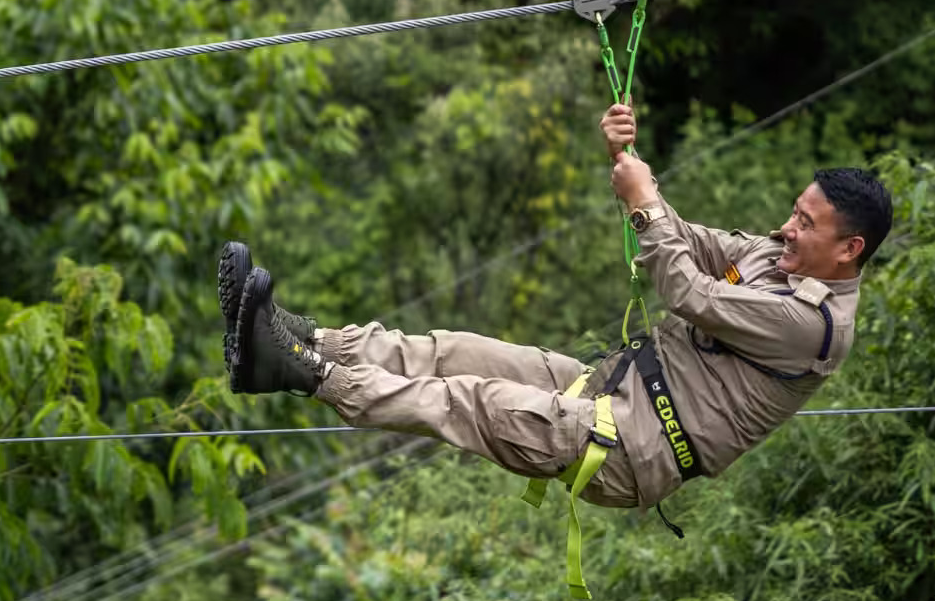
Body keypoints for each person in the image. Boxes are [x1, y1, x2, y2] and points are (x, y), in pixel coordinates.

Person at [217, 101, 893, 517]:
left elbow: (688, 291)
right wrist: (628, 166)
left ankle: (301, 372)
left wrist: (644, 201)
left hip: (628, 446)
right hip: (604, 388)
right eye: (795, 212)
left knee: (467, 399)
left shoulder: (814, 326)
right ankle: (293, 336)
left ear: (849, 249)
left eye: (806, 223)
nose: (787, 228)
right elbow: (683, 239)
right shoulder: (782, 258)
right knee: (451, 350)